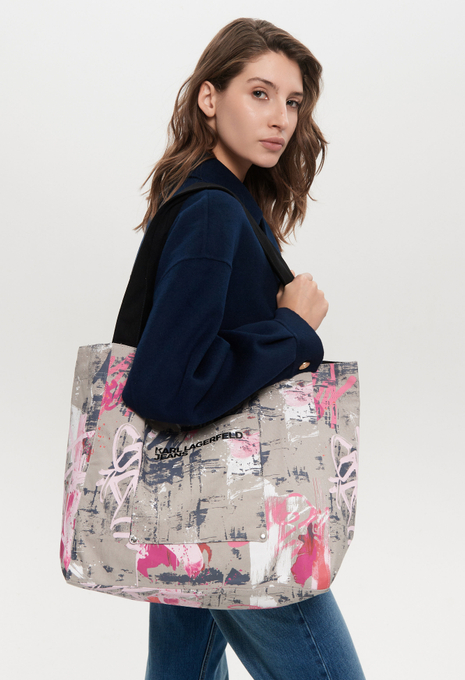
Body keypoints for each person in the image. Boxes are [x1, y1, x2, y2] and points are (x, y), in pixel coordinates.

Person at [122, 17, 365, 680]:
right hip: (236, 512)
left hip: (190, 502)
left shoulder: (223, 202)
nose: (281, 117)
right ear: (210, 97)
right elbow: (167, 386)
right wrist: (293, 328)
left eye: (293, 101)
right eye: (259, 93)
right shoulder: (212, 212)